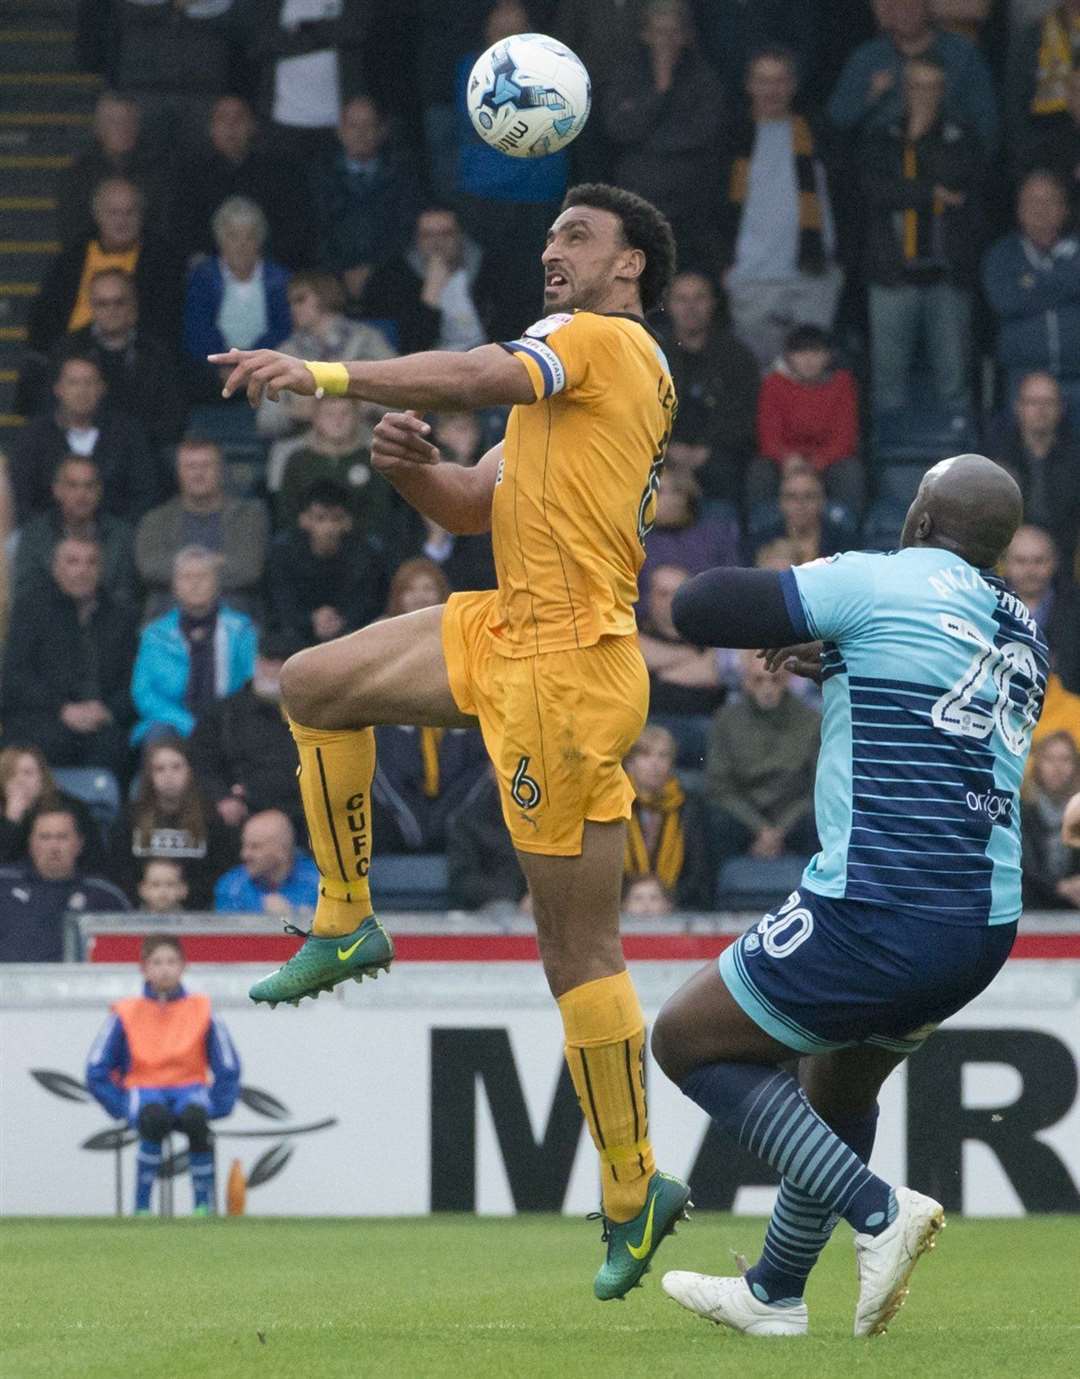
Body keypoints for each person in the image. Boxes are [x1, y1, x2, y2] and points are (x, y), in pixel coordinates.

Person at [210, 180, 690, 1299]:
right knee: (319, 683)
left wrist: (324, 372)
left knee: (577, 951)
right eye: (551, 234)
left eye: (579, 235)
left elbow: (479, 368)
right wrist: (409, 470)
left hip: (566, 672)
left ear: (633, 268)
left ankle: (634, 1188)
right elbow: (478, 501)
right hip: (508, 622)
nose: (553, 250)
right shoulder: (580, 381)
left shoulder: (601, 340)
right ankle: (347, 919)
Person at [650, 454, 1045, 1338]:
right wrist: (835, 656)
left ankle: (876, 1211)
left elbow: (700, 606)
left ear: (917, 518)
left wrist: (823, 615)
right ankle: (775, 1292)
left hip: (881, 902)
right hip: (981, 922)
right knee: (835, 1088)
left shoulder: (879, 577)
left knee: (683, 1038)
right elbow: (932, 700)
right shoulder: (1023, 632)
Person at [859, 54, 983, 419]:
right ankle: (892, 471)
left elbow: (959, 179)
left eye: (933, 87)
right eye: (917, 86)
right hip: (892, 276)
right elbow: (874, 190)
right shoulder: (881, 136)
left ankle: (960, 472)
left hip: (947, 275)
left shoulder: (959, 134)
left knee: (953, 384)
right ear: (904, 89)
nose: (925, 95)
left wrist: (920, 142)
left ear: (944, 92)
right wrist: (930, 194)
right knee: (888, 387)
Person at [85, 934, 240, 1215]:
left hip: (189, 1087)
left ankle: (202, 1206)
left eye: (171, 961)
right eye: (156, 962)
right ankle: (142, 1206)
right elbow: (96, 1068)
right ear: (144, 968)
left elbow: (227, 1064)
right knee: (153, 1118)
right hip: (144, 1089)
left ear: (183, 966)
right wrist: (120, 1106)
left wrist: (218, 1106)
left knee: (196, 1118)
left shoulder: (202, 1008)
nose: (164, 969)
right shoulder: (126, 1012)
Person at [722, 46, 844, 369]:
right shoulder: (732, 136)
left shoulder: (819, 133)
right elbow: (713, 210)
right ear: (749, 85)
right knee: (755, 379)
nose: (771, 90)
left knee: (811, 386)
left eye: (779, 80)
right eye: (763, 81)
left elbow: (847, 201)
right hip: (752, 280)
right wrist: (724, 265)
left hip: (812, 277)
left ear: (793, 85)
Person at [454, 2, 569, 342]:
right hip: (484, 204)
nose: (509, 44)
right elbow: (489, 124)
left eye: (517, 35)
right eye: (501, 34)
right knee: (482, 299)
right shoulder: (471, 70)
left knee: (530, 300)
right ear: (488, 35)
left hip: (538, 204)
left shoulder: (558, 72)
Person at [601, 0, 725, 272]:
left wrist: (648, 139)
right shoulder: (626, 74)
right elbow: (619, 129)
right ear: (645, 34)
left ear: (685, 36)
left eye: (673, 32)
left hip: (689, 202)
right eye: (659, 32)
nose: (666, 40)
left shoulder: (703, 78)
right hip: (638, 200)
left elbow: (701, 133)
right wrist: (660, 90)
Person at [1, 536, 137, 779]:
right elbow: (15, 677)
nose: (82, 570)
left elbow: (133, 681)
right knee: (47, 745)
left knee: (116, 747)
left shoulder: (120, 616)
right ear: (55, 568)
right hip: (44, 716)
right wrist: (63, 710)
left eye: (91, 562)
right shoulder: (31, 610)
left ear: (101, 569)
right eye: (73, 562)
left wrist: (108, 711)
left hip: (102, 719)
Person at [28, 177, 184, 360]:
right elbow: (46, 316)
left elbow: (165, 325)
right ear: (97, 215)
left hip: (136, 360)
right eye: (113, 213)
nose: (122, 221)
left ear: (141, 215)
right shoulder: (72, 258)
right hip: (73, 360)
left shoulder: (162, 262)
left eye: (129, 212)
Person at [827, 0, 998, 155]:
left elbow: (987, 127)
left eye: (912, 4)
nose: (905, 12)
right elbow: (835, 121)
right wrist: (869, 96)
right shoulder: (868, 58)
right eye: (897, 5)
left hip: (947, 163)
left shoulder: (961, 55)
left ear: (927, 6)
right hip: (880, 171)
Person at [8, 351, 159, 525]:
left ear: (102, 388)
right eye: (73, 383)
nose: (82, 391)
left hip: (115, 540)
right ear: (58, 389)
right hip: (46, 541)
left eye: (89, 383)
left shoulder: (128, 433)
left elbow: (144, 495)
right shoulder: (33, 436)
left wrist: (116, 536)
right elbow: (20, 498)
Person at [130, 547, 257, 747]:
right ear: (175, 587)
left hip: (229, 721)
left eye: (203, 576)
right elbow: (144, 693)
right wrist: (187, 723)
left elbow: (252, 684)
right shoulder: (155, 634)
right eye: (186, 577)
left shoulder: (241, 630)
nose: (195, 583)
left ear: (217, 584)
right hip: (172, 723)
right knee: (158, 737)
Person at [135, 439, 269, 620]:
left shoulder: (249, 515)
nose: (198, 473)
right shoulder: (155, 519)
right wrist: (214, 561)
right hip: (166, 623)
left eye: (206, 465)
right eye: (190, 466)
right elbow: (150, 568)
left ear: (221, 470)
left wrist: (185, 568)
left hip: (235, 624)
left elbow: (248, 570)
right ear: (178, 472)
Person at [706, 650, 820, 862]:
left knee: (819, 817)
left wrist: (779, 830)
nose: (767, 688)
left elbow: (815, 789)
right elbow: (720, 786)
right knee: (712, 816)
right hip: (743, 817)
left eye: (775, 679)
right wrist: (760, 828)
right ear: (746, 681)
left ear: (787, 680)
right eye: (758, 680)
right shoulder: (726, 720)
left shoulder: (811, 721)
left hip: (794, 817)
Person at [657, 270, 760, 507]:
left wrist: (706, 450)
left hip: (721, 454)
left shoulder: (737, 356)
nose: (690, 307)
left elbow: (745, 415)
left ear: (713, 303)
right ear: (669, 306)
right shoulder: (651, 353)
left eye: (699, 298)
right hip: (662, 453)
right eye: (681, 299)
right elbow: (638, 413)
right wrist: (670, 448)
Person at [982, 171, 1080, 416]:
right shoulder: (1002, 255)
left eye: (1049, 201)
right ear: (1019, 209)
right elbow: (1005, 302)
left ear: (1065, 209)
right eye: (1032, 202)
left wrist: (1034, 286)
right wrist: (1068, 283)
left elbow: (1024, 298)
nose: (1040, 209)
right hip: (1022, 380)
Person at [189, 630, 306, 835]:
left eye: (285, 661)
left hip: (307, 819)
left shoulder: (315, 714)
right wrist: (222, 797)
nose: (277, 669)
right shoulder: (223, 713)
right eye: (271, 660)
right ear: (259, 662)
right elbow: (202, 762)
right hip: (244, 817)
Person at [172, 94, 308, 270]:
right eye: (223, 119)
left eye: (239, 119)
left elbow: (293, 231)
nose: (231, 126)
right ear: (211, 128)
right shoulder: (190, 177)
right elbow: (183, 233)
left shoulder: (279, 175)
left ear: (253, 126)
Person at [309, 94, 423, 298]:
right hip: (332, 278)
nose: (361, 134)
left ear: (382, 131)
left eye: (368, 126)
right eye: (353, 126)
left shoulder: (403, 173)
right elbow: (316, 230)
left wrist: (374, 269)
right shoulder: (318, 175)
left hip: (390, 276)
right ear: (340, 131)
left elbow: (408, 228)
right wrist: (342, 271)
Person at [255, 272, 395, 439]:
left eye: (300, 300)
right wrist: (294, 413)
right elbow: (266, 422)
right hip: (305, 443)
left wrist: (371, 404)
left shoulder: (369, 341)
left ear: (324, 295)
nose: (292, 308)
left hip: (367, 440)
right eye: (290, 303)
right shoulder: (286, 353)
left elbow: (403, 395)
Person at [59, 268, 188, 448]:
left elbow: (172, 416)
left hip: (146, 452)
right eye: (102, 303)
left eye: (119, 302)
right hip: (81, 453)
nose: (111, 310)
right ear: (91, 306)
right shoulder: (68, 350)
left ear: (133, 304)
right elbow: (54, 410)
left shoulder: (157, 352)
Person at [182, 196, 292, 399]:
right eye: (233, 236)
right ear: (220, 239)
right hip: (215, 370)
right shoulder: (203, 276)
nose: (241, 245)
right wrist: (226, 366)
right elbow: (198, 329)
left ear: (260, 240)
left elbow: (283, 329)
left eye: (249, 237)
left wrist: (250, 367)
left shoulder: (279, 279)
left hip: (267, 367)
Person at [109, 735, 238, 909]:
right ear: (149, 775)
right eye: (160, 769)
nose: (168, 776)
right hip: (140, 912)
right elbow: (120, 869)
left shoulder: (211, 818)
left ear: (190, 771)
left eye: (176, 767)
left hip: (200, 913)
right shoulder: (129, 818)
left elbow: (222, 871)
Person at [749, 325, 862, 512]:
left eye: (816, 352)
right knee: (760, 470)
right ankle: (762, 528)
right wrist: (787, 460)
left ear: (828, 356)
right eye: (801, 352)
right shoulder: (773, 384)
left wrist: (817, 463)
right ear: (789, 357)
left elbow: (845, 438)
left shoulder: (842, 383)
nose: (808, 359)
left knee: (850, 471)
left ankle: (845, 528)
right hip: (785, 461)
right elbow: (768, 437)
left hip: (828, 461)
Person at [359, 205, 496, 355]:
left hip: (486, 358)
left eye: (446, 234)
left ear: (460, 236)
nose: (437, 242)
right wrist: (431, 292)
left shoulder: (487, 269)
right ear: (416, 240)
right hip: (433, 364)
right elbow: (413, 346)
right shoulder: (395, 280)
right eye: (427, 235)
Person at [0, 804, 130, 962]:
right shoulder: (4, 884)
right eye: (45, 837)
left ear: (79, 844)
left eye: (62, 837)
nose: (54, 847)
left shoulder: (105, 896)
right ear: (31, 844)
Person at [267, 478, 387, 647]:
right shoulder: (284, 554)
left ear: (348, 522)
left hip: (352, 635)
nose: (328, 528)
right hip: (296, 637)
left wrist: (341, 619)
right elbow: (281, 604)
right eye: (320, 518)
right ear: (304, 520)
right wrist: (311, 619)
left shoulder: (366, 555)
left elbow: (369, 603)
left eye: (336, 519)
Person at [13, 453, 137, 609]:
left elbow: (127, 594)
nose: (82, 494)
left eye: (89, 486)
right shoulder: (35, 535)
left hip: (105, 623)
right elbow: (26, 593)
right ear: (57, 490)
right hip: (49, 623)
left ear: (99, 491)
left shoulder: (121, 535)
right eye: (73, 486)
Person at [990, 371, 1080, 575]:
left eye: (1048, 402)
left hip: (1066, 554)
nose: (1040, 409)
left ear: (1061, 408)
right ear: (1018, 407)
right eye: (1032, 402)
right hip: (1010, 554)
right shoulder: (995, 454)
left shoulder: (1076, 456)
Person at [397, 412, 498, 593]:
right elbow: (399, 584)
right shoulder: (404, 521)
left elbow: (484, 583)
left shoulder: (485, 523)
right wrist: (436, 541)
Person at [271, 395, 396, 535]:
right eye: (329, 414)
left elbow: (380, 511)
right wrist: (308, 524)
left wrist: (348, 525)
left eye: (345, 413)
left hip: (360, 543)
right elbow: (285, 509)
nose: (338, 421)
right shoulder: (298, 460)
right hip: (304, 542)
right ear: (316, 419)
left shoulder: (371, 460)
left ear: (357, 418)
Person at [623, 724, 712, 909]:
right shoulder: (612, 806)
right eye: (646, 755)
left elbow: (698, 872)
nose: (655, 763)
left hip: (676, 909)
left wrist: (668, 901)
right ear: (630, 764)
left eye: (663, 756)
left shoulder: (690, 807)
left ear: (671, 764)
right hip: (621, 909)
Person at [638, 471, 740, 607]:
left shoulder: (717, 535)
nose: (670, 499)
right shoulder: (632, 545)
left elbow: (733, 588)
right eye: (659, 491)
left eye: (677, 491)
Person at [0, 744, 105, 873]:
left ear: (42, 777)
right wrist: (12, 819)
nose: (20, 781)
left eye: (28, 773)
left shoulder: (70, 808)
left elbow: (94, 859)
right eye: (11, 774)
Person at [638, 562, 725, 717]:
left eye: (677, 592)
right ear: (650, 597)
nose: (670, 601)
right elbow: (637, 653)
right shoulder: (634, 628)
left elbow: (712, 672)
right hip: (651, 723)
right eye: (663, 594)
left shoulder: (709, 631)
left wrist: (657, 676)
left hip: (706, 721)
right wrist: (691, 656)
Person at [1001, 524, 1080, 693]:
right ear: (1005, 563)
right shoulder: (989, 604)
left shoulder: (1075, 607)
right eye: (1021, 561)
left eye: (1039, 561)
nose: (1030, 570)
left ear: (1054, 562)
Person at [445, 765, 527, 911]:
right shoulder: (469, 821)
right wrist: (516, 899)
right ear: (492, 770)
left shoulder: (551, 821)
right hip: (487, 915)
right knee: (503, 909)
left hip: (544, 911)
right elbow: (463, 881)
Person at [214, 808, 319, 915]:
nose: (244, 855)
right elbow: (230, 930)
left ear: (282, 850)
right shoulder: (231, 885)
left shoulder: (320, 883)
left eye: (255, 847)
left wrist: (293, 916)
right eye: (244, 846)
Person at [1021, 731, 1080, 909]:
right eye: (1049, 759)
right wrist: (1059, 888)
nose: (1057, 767)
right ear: (1037, 764)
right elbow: (1023, 864)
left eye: (1065, 759)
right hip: (1028, 914)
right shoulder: (1020, 811)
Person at [751, 464, 852, 565]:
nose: (800, 504)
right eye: (791, 497)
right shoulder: (762, 542)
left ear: (822, 501)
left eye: (809, 496)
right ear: (781, 502)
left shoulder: (844, 545)